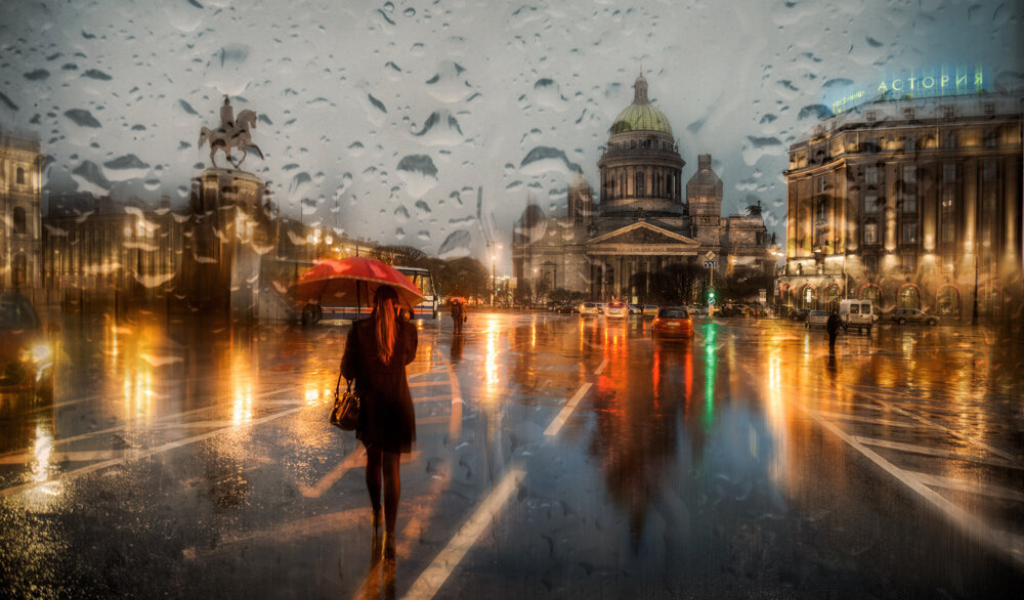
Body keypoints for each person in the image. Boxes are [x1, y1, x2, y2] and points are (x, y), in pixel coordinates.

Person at [341, 285, 418, 565]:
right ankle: (391, 534)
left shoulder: (359, 330)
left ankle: (376, 512)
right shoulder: (408, 331)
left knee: (373, 461)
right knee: (392, 467)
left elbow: (347, 371)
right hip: (397, 405)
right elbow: (408, 357)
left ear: (373, 303)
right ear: (397, 304)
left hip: (371, 406)